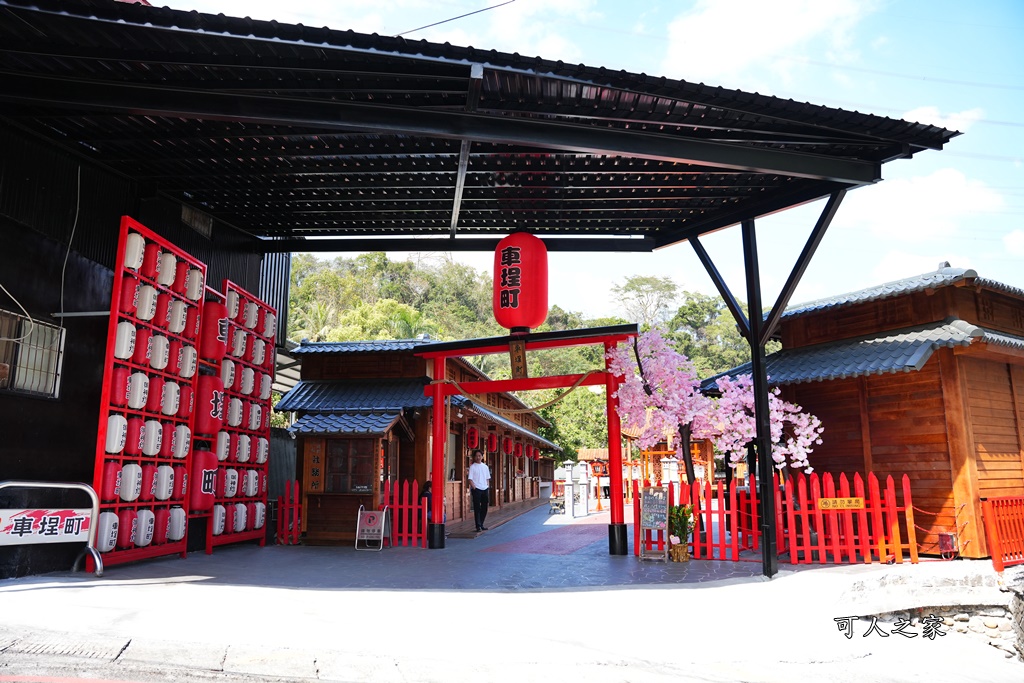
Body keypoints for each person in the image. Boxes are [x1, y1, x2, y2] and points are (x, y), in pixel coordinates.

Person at [467, 449, 491, 531]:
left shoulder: (485, 467)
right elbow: (470, 479)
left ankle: (481, 524)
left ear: (482, 456)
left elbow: (488, 478)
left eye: (479, 456)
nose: (478, 457)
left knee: (484, 507)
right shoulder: (472, 467)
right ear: (474, 457)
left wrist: (487, 486)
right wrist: (474, 488)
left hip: (485, 488)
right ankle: (478, 526)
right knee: (477, 508)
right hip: (477, 489)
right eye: (476, 456)